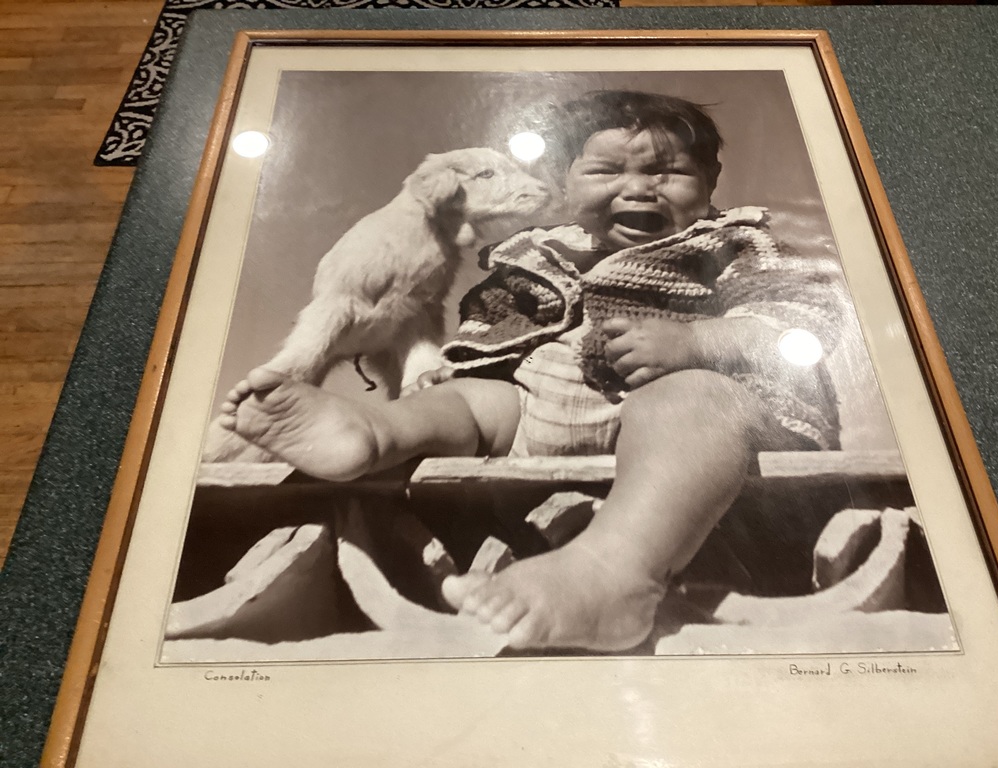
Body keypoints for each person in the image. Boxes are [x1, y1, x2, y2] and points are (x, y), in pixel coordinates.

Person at [216, 90, 844, 652]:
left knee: (695, 399)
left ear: (710, 180)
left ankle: (611, 573)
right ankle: (375, 433)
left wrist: (698, 341)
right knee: (470, 400)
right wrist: (452, 376)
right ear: (564, 184)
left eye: (668, 171)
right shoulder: (537, 256)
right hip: (538, 407)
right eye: (605, 171)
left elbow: (803, 317)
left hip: (681, 415)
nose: (638, 188)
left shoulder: (732, 243)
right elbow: (487, 336)